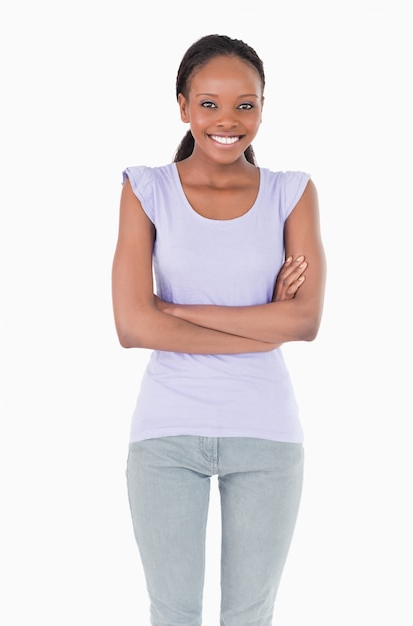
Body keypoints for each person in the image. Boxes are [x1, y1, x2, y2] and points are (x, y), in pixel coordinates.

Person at [112, 33, 326, 626]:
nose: (227, 121)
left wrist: (175, 311)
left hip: (266, 434)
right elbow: (132, 325)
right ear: (182, 106)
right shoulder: (145, 188)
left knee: (250, 617)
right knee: (173, 613)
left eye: (245, 104)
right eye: (208, 104)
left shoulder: (292, 192)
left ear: (262, 107)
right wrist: (263, 326)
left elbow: (304, 320)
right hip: (165, 434)